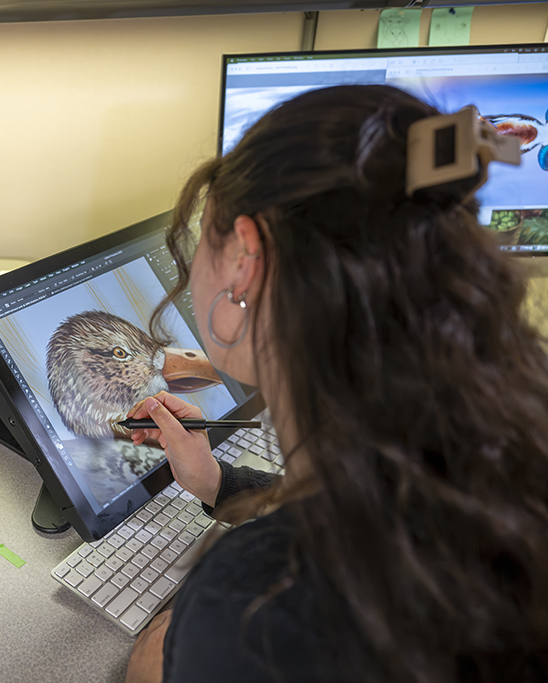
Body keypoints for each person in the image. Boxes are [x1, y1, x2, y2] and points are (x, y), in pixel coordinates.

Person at [122, 84, 548, 683]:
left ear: (247, 255)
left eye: (202, 239)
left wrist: (160, 664)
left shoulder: (253, 617)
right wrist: (220, 483)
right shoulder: (506, 427)